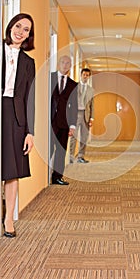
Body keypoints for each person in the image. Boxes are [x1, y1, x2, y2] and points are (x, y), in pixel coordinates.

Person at [2, 13, 36, 238]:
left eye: (26, 30)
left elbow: (29, 99)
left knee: (12, 170)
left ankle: (8, 219)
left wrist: (29, 132)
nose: (20, 32)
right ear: (10, 26)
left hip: (16, 118)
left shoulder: (28, 62)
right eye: (18, 26)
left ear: (28, 36)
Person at [50, 55, 78, 184]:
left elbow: (74, 106)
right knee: (49, 149)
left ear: (70, 66)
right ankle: (45, 174)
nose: (65, 65)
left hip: (64, 122)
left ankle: (57, 177)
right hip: (49, 121)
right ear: (58, 64)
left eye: (68, 63)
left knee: (61, 151)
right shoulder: (50, 78)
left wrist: (72, 125)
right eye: (63, 62)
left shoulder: (73, 84)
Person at [70, 68, 94, 163]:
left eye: (87, 75)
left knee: (84, 137)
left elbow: (92, 105)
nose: (85, 76)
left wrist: (92, 118)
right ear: (81, 75)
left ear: (89, 77)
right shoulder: (74, 87)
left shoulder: (91, 90)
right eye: (84, 74)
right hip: (76, 114)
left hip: (86, 114)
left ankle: (81, 156)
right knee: (73, 137)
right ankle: (71, 157)